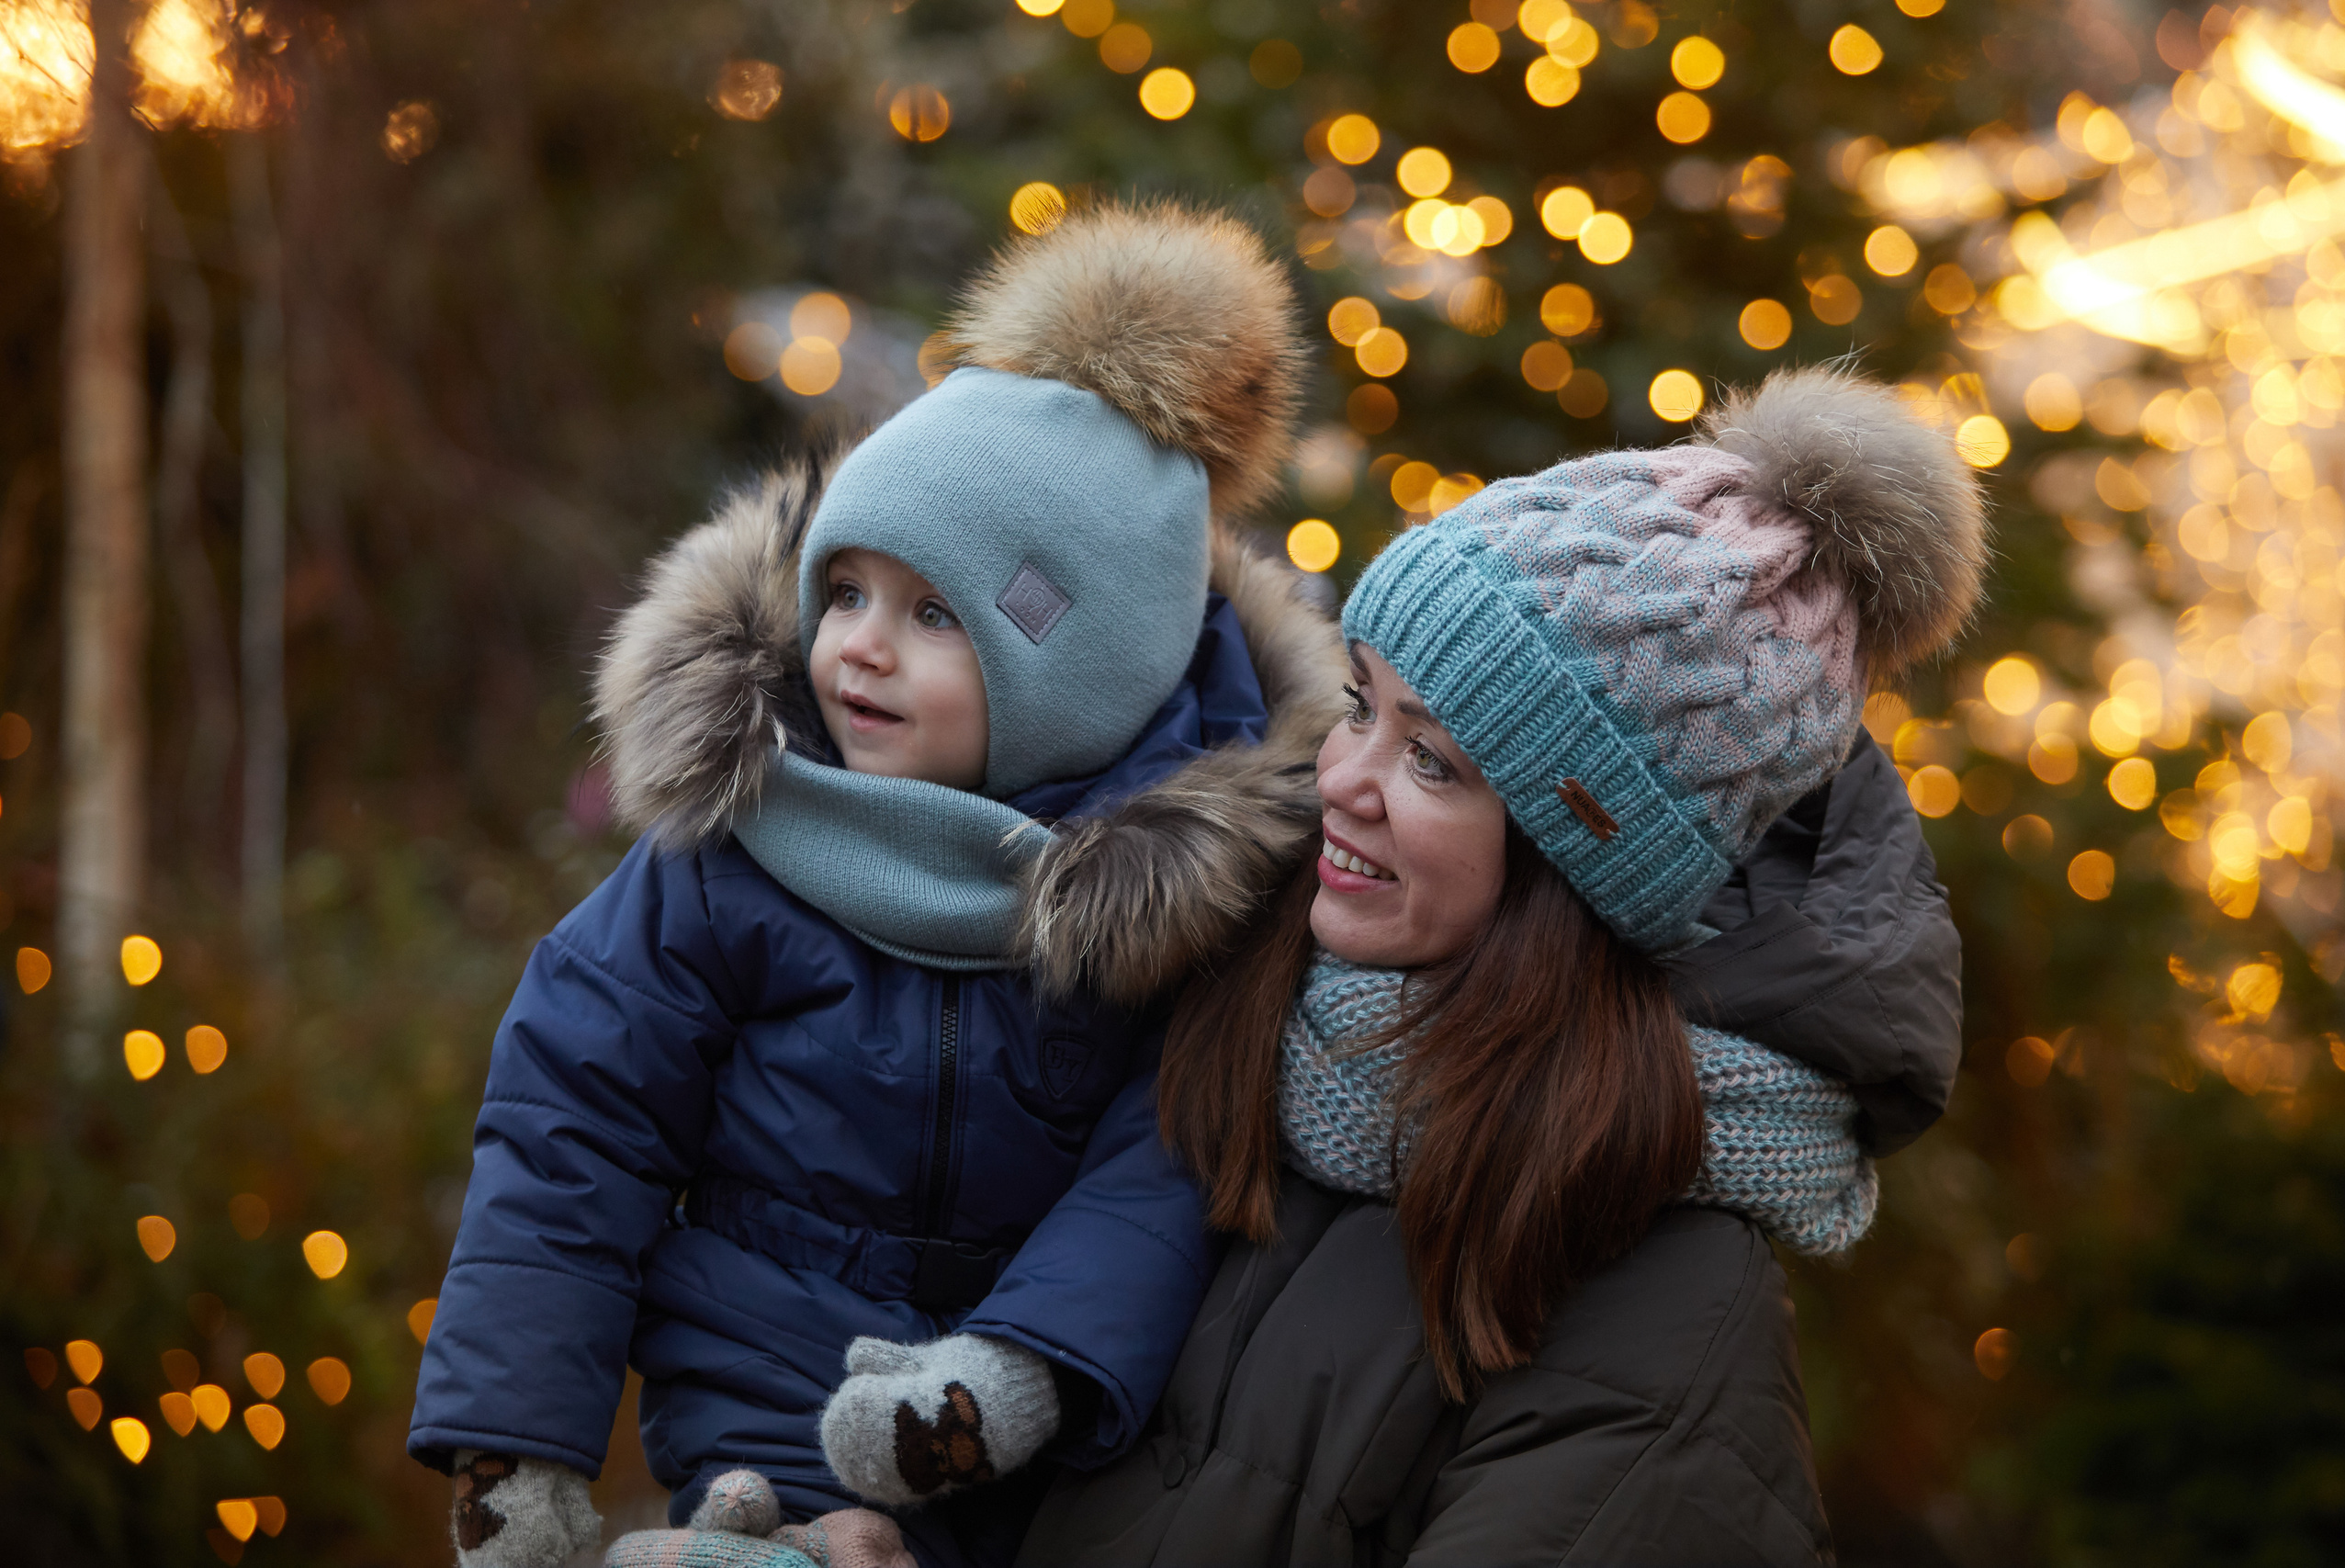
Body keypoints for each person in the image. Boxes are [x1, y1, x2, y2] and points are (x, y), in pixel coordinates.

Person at [403, 202, 1349, 1568]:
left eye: (935, 614)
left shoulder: (1175, 906)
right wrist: (516, 1445)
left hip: (1021, 1424)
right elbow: (574, 1122)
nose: (859, 647)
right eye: (845, 591)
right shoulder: (744, 840)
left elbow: (1164, 1169)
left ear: (1080, 678)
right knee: (786, 1541)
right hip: (756, 1383)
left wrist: (1014, 1371)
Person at [1017, 364, 1989, 1566]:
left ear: (1577, 867)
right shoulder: (1226, 1030)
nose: (1341, 778)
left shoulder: (1672, 1315)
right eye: (1360, 706)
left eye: (1432, 762)